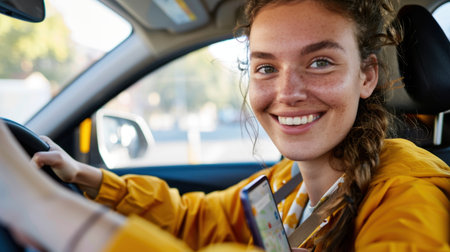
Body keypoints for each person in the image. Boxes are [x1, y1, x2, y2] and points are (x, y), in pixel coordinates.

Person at [0, 0, 449, 251]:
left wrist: (42, 207)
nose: (288, 92)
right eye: (266, 68)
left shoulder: (408, 193)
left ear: (366, 76)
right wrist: (86, 178)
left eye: (320, 62)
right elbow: (197, 220)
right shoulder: (286, 183)